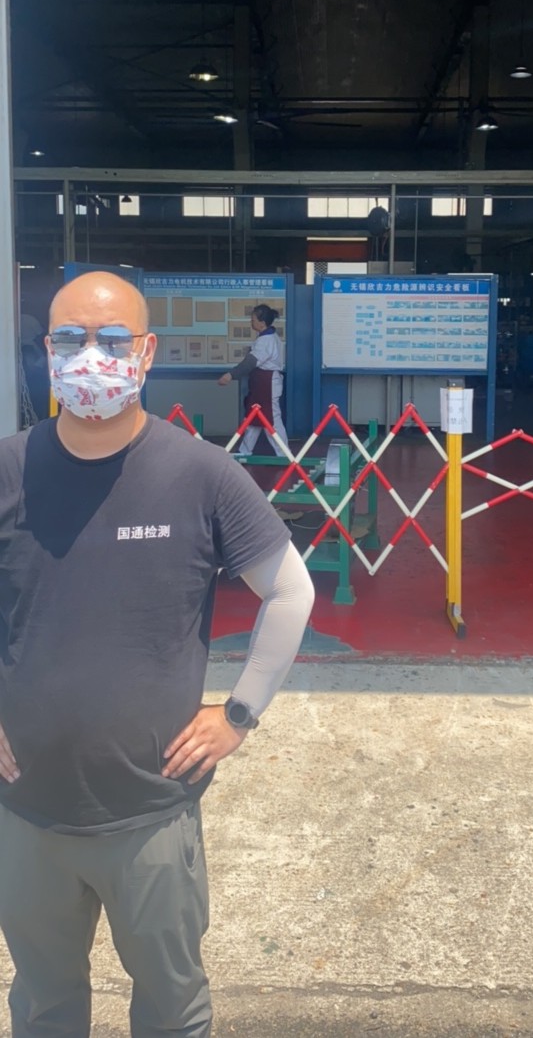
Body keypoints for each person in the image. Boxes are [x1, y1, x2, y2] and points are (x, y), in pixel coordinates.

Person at [0, 271, 314, 1038]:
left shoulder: (201, 473)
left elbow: (290, 590)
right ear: (48, 351)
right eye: (71, 338)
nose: (90, 356)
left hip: (151, 814)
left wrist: (238, 715)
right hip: (26, 810)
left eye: (112, 340)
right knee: (43, 1005)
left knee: (172, 1008)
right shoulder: (8, 469)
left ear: (145, 353)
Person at [218, 304, 288, 456]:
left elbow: (251, 362)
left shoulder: (266, 340)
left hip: (267, 384)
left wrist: (231, 375)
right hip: (262, 383)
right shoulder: (268, 337)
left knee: (271, 419)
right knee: (254, 416)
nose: (251, 322)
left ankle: (283, 453)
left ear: (262, 323)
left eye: (253, 319)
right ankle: (245, 450)